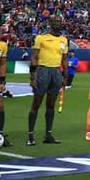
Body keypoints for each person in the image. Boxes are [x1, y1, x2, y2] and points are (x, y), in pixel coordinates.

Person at [27, 17, 68, 146]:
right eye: (55, 22)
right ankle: (30, 136)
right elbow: (34, 58)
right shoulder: (41, 38)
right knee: (36, 104)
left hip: (56, 72)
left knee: (51, 105)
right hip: (43, 70)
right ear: (50, 24)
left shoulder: (64, 40)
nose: (58, 24)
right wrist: (33, 77)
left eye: (59, 22)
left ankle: (48, 135)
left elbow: (64, 59)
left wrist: (65, 76)